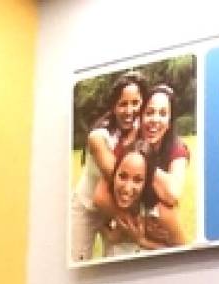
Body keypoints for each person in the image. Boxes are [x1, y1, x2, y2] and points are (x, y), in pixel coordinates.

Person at [96, 83, 190, 247]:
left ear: (169, 122)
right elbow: (100, 196)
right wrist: (134, 223)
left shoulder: (176, 149)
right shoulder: (128, 147)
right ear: (140, 117)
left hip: (159, 228)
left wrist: (145, 160)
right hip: (131, 227)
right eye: (150, 112)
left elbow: (173, 193)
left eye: (162, 114)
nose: (155, 120)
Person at [70, 71, 144, 262]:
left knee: (118, 262)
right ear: (113, 106)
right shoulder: (99, 136)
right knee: (78, 260)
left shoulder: (142, 128)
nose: (130, 110)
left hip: (115, 207)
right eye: (123, 104)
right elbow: (117, 175)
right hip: (87, 207)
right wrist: (133, 136)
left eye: (135, 103)